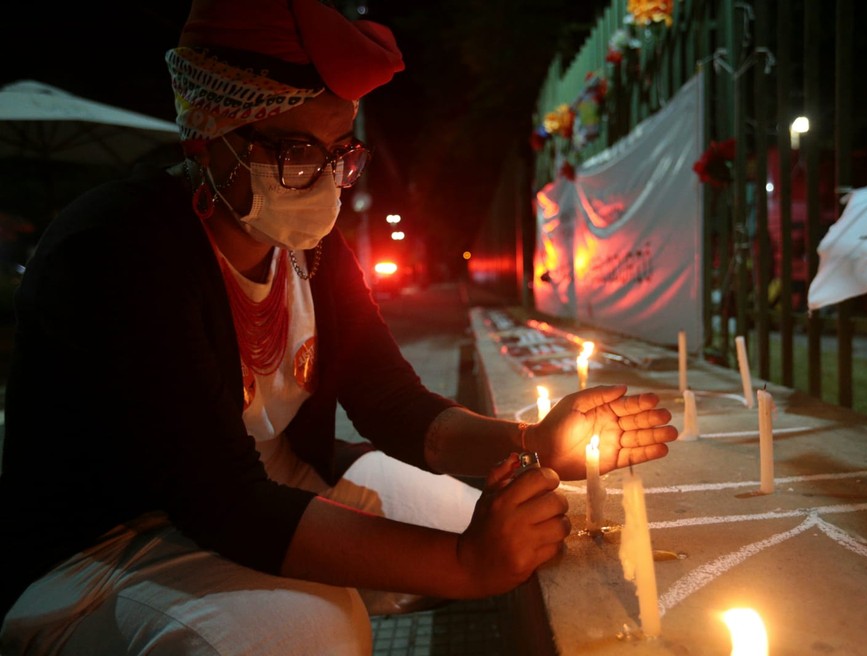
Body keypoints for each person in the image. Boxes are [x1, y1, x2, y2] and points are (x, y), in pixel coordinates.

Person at [0, 1, 678, 654]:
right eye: (296, 152)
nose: (323, 182)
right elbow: (222, 500)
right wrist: (466, 564)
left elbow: (393, 404)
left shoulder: (310, 251)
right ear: (209, 141)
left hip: (271, 480)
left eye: (338, 153)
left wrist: (536, 441)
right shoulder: (117, 251)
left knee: (493, 532)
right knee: (310, 632)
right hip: (119, 540)